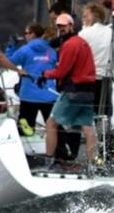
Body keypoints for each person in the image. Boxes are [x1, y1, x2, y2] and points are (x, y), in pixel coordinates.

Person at [40, 13, 98, 174]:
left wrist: (45, 74)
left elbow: (61, 71)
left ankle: (49, 162)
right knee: (87, 129)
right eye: (59, 27)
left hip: (74, 91)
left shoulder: (70, 45)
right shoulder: (82, 43)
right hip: (89, 91)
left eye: (64, 26)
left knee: (51, 123)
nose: (61, 29)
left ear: (72, 26)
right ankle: (91, 166)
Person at [5, 23, 58, 134]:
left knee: (26, 130)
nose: (25, 36)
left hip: (28, 96)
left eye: (26, 33)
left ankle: (26, 149)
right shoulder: (51, 50)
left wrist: (11, 47)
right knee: (54, 128)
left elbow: (9, 62)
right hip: (48, 95)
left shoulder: (25, 50)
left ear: (33, 34)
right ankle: (59, 149)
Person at [78, 2, 114, 115]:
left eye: (85, 16)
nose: (82, 19)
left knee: (86, 114)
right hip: (106, 79)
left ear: (94, 16)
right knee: (103, 114)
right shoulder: (113, 34)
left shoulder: (83, 34)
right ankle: (102, 132)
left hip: (87, 81)